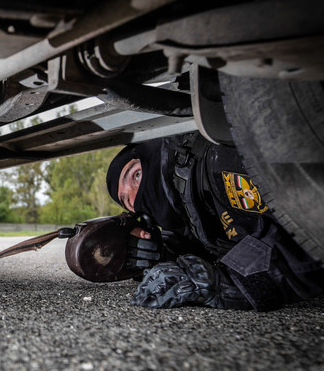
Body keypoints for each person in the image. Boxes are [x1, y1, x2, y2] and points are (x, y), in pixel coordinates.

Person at [105, 133, 324, 310]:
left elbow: (305, 235)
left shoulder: (217, 163)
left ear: (153, 156)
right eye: (127, 201)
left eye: (135, 176)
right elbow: (199, 241)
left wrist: (221, 281)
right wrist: (160, 253)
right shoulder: (185, 200)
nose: (136, 198)